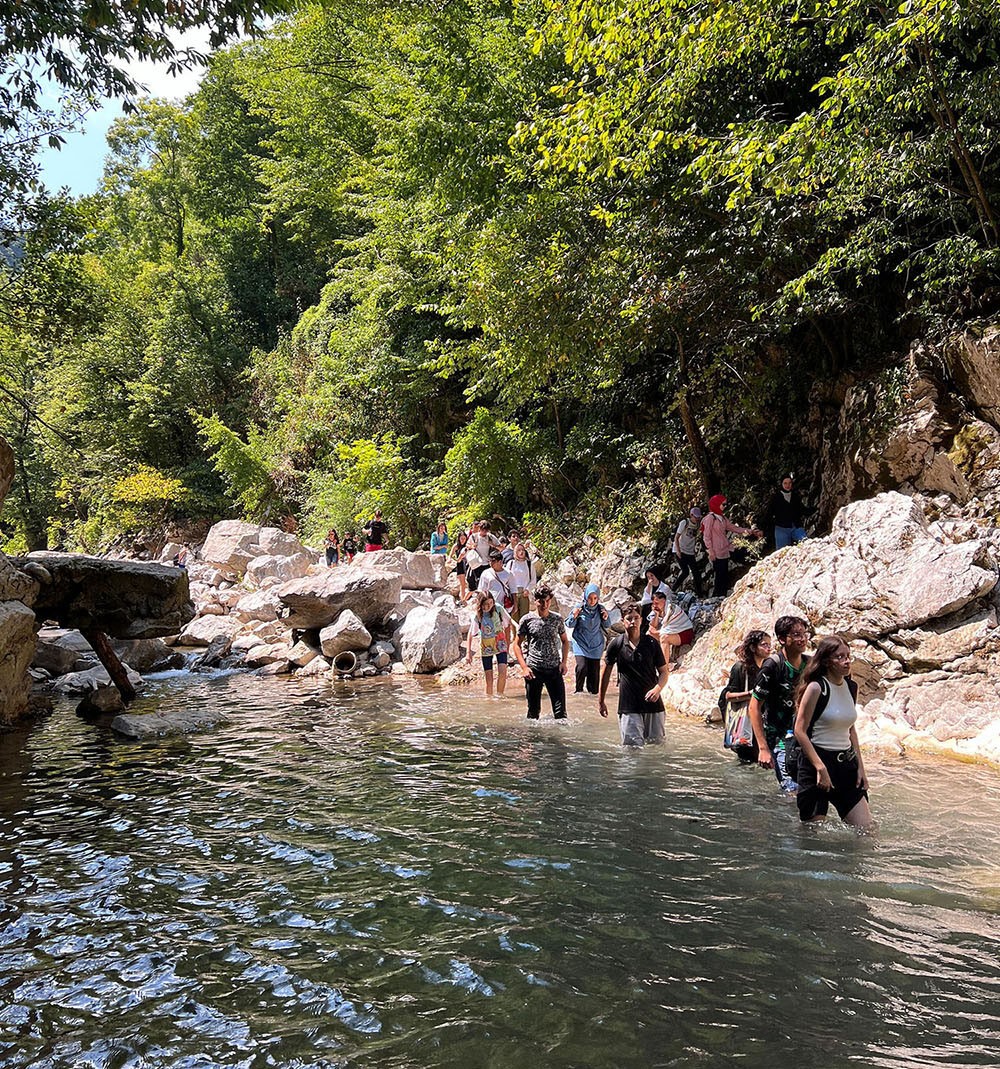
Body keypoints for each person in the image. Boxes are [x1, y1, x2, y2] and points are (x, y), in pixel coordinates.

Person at [793, 635, 872, 828]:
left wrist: (861, 768)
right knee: (813, 836)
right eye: (840, 657)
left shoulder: (851, 687)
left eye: (848, 656)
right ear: (827, 661)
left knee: (866, 831)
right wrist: (820, 768)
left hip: (846, 765)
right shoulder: (816, 688)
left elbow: (850, 730)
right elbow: (800, 730)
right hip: (816, 764)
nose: (846, 662)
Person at [748, 615, 811, 792]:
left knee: (808, 789)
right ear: (783, 639)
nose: (802, 638)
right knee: (791, 790)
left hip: (805, 738)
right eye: (796, 634)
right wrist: (763, 748)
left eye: (804, 634)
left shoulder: (810, 665)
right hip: (780, 739)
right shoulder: (772, 666)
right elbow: (754, 707)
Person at [599, 602, 669, 747]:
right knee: (631, 751)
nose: (633, 622)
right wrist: (601, 701)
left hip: (653, 705)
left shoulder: (651, 643)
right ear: (622, 622)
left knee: (656, 748)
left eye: (636, 618)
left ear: (641, 620)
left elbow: (664, 672)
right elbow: (605, 673)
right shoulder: (616, 644)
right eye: (629, 619)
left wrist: (657, 689)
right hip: (628, 706)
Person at [511, 584, 570, 720]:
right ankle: (532, 740)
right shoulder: (527, 620)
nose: (544, 604)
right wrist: (524, 667)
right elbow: (516, 645)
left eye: (547, 601)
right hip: (534, 670)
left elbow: (565, 641)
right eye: (541, 601)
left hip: (554, 669)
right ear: (535, 601)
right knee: (533, 713)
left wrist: (564, 662)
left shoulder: (557, 619)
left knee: (561, 714)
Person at [722, 630, 771, 762]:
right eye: (764, 645)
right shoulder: (740, 668)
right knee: (747, 762)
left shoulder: (768, 667)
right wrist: (751, 694)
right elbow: (728, 696)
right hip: (746, 723)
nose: (768, 648)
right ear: (753, 647)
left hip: (762, 724)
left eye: (769, 645)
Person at [700, 495, 762, 597]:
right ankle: (717, 597)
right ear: (716, 504)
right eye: (723, 504)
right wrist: (710, 551)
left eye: (726, 504)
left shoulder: (723, 518)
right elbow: (706, 536)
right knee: (720, 575)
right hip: (716, 552)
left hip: (726, 549)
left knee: (724, 574)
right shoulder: (710, 518)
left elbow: (734, 528)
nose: (725, 506)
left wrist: (751, 531)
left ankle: (721, 596)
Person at [465, 591, 512, 698]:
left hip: (500, 645)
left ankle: (500, 696)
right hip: (486, 649)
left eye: (490, 603)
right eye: (485, 604)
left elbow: (508, 624)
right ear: (480, 604)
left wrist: (508, 644)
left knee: (503, 673)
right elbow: (471, 634)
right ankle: (489, 699)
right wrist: (468, 653)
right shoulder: (478, 616)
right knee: (489, 679)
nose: (488, 607)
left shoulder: (499, 609)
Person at [566, 582, 609, 694]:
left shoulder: (600, 609)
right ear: (585, 596)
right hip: (581, 643)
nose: (592, 601)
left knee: (594, 677)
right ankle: (578, 692)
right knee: (582, 667)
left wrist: (605, 618)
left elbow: (607, 625)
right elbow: (569, 624)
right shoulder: (579, 608)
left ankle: (592, 699)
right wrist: (574, 616)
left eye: (595, 598)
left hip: (596, 645)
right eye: (590, 598)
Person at [646, 588, 695, 664]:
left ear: (663, 601)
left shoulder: (671, 609)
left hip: (684, 632)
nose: (655, 605)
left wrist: (655, 631)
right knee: (648, 634)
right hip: (673, 632)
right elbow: (652, 626)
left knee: (664, 638)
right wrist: (656, 614)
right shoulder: (658, 609)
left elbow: (665, 630)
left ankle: (664, 665)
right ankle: (650, 660)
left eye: (657, 603)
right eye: (654, 603)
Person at [478, 551, 516, 637]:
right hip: (490, 605)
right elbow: (481, 591)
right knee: (492, 625)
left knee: (506, 626)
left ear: (500, 562)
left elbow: (513, 590)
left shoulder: (508, 574)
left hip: (505, 605)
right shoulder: (486, 573)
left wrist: (515, 605)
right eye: (490, 561)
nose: (491, 563)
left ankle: (506, 648)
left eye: (493, 561)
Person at [672, 506, 704, 596]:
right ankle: (673, 589)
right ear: (691, 515)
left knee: (696, 573)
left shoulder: (698, 524)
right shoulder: (684, 522)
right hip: (680, 550)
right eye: (695, 517)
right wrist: (678, 551)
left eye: (698, 517)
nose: (697, 519)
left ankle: (699, 593)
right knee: (685, 571)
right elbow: (676, 537)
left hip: (690, 552)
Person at [769, 476, 807, 549]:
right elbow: (769, 514)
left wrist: (816, 509)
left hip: (796, 526)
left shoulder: (795, 496)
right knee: (782, 553)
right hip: (781, 529)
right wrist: (761, 528)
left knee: (806, 544)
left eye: (789, 483)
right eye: (785, 483)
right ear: (781, 484)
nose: (788, 485)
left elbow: (802, 510)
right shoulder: (776, 498)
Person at [506, 541, 536, 622]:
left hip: (524, 593)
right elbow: (506, 578)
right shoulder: (511, 563)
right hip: (513, 593)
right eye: (518, 550)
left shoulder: (529, 564)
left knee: (524, 617)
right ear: (515, 552)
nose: (521, 552)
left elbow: (533, 580)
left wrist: (528, 589)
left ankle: (523, 634)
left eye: (522, 550)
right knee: (514, 616)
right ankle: (515, 634)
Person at [450, 529, 470, 602]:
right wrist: (452, 561)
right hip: (460, 564)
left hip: (467, 564)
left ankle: (465, 598)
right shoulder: (456, 546)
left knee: (468, 582)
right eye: (461, 539)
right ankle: (463, 599)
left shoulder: (467, 546)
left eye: (464, 539)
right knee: (462, 584)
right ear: (458, 538)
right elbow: (450, 555)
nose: (463, 540)